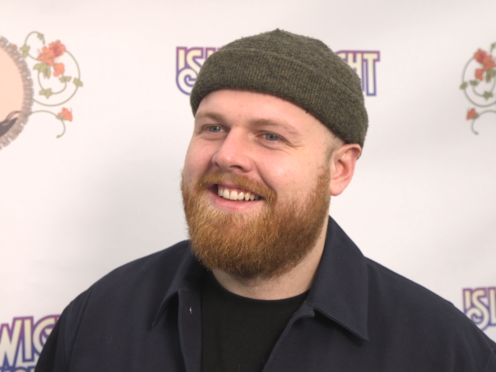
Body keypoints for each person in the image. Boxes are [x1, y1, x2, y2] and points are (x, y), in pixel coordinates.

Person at [36, 29, 496, 372]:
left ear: (339, 169)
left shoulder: (442, 350)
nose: (227, 154)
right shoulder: (98, 318)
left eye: (270, 136)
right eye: (212, 127)